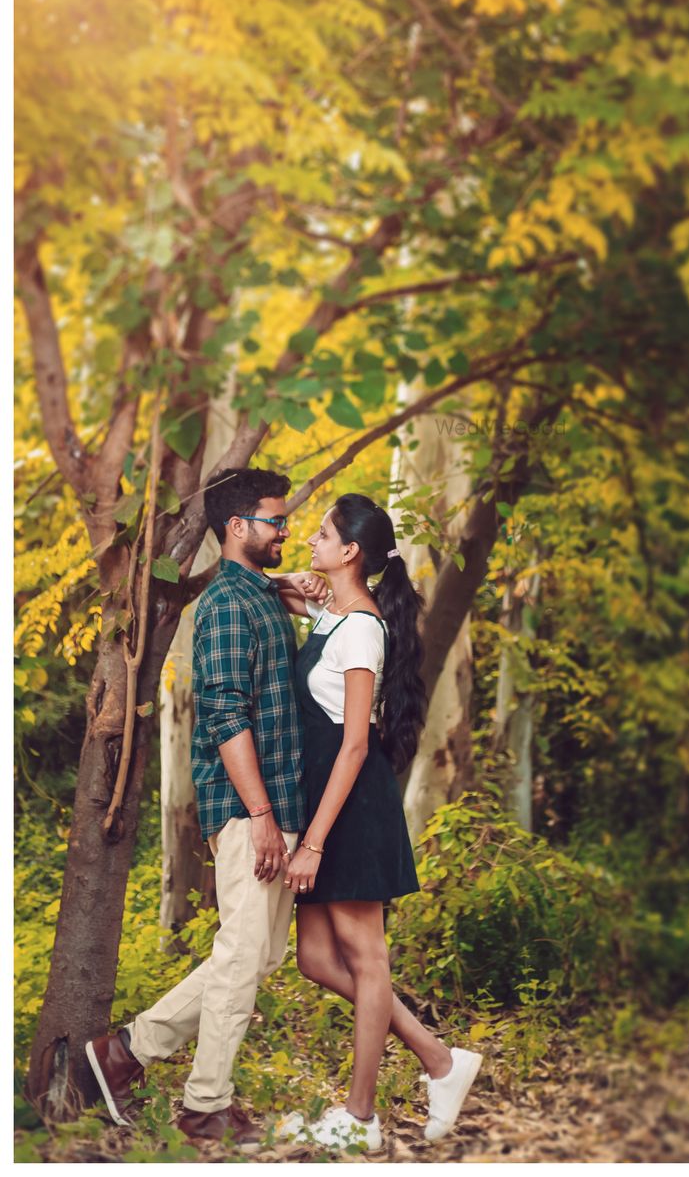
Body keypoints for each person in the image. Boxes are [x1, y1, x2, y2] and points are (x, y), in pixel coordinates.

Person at [85, 467, 305, 1151]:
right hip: (249, 809)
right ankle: (205, 1105)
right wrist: (263, 816)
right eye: (276, 519)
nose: (287, 530)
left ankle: (121, 1054)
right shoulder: (226, 607)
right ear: (238, 527)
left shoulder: (254, 594)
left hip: (273, 803)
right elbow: (222, 714)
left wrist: (282, 586)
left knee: (257, 956)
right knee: (243, 952)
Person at [272, 493, 482, 1151]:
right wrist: (300, 583)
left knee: (367, 959)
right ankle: (441, 1060)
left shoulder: (362, 627)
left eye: (324, 534)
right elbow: (274, 586)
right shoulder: (333, 613)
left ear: (352, 552)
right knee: (313, 959)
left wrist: (312, 842)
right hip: (323, 799)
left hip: (350, 806)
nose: (310, 538)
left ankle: (360, 1118)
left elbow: (357, 742)